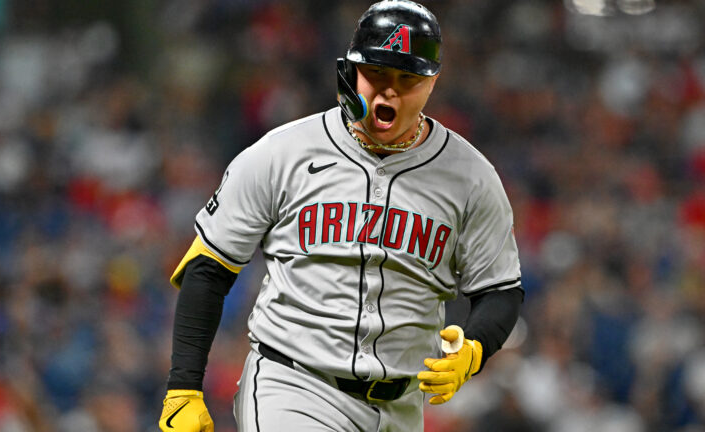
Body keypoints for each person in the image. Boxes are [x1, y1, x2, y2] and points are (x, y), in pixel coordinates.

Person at [158, 1, 524, 431]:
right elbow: (209, 267)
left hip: (401, 405)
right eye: (377, 74)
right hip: (294, 386)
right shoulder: (282, 154)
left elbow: (500, 289)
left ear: (432, 83)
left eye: (407, 79)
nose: (389, 91)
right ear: (349, 70)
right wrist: (184, 386)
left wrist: (474, 349)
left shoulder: (472, 178)